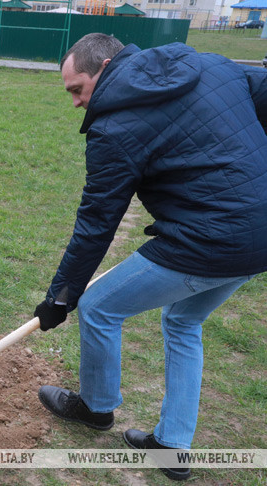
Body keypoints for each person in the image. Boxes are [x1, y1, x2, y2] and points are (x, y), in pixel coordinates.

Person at [33, 33, 267, 481]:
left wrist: (62, 296)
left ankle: (96, 408)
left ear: (102, 70)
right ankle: (172, 446)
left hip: (209, 239)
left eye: (77, 90)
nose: (77, 104)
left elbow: (97, 223)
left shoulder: (114, 128)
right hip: (261, 235)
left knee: (99, 306)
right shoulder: (211, 65)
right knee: (183, 321)